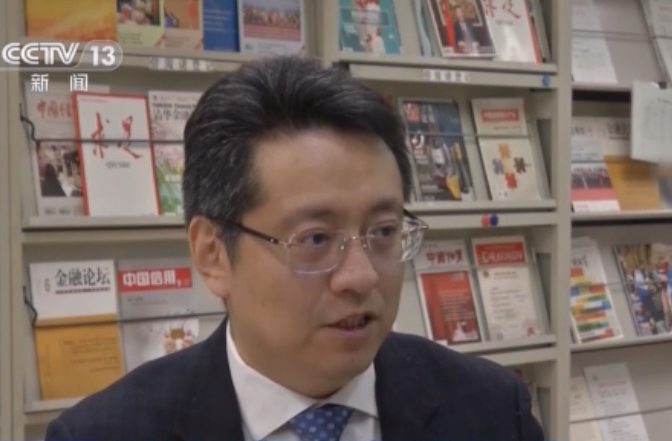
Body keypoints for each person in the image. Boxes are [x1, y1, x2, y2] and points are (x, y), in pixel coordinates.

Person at [44, 55, 545, 441]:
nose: (361, 276)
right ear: (213, 254)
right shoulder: (102, 434)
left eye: (383, 232)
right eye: (315, 239)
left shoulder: (493, 410)